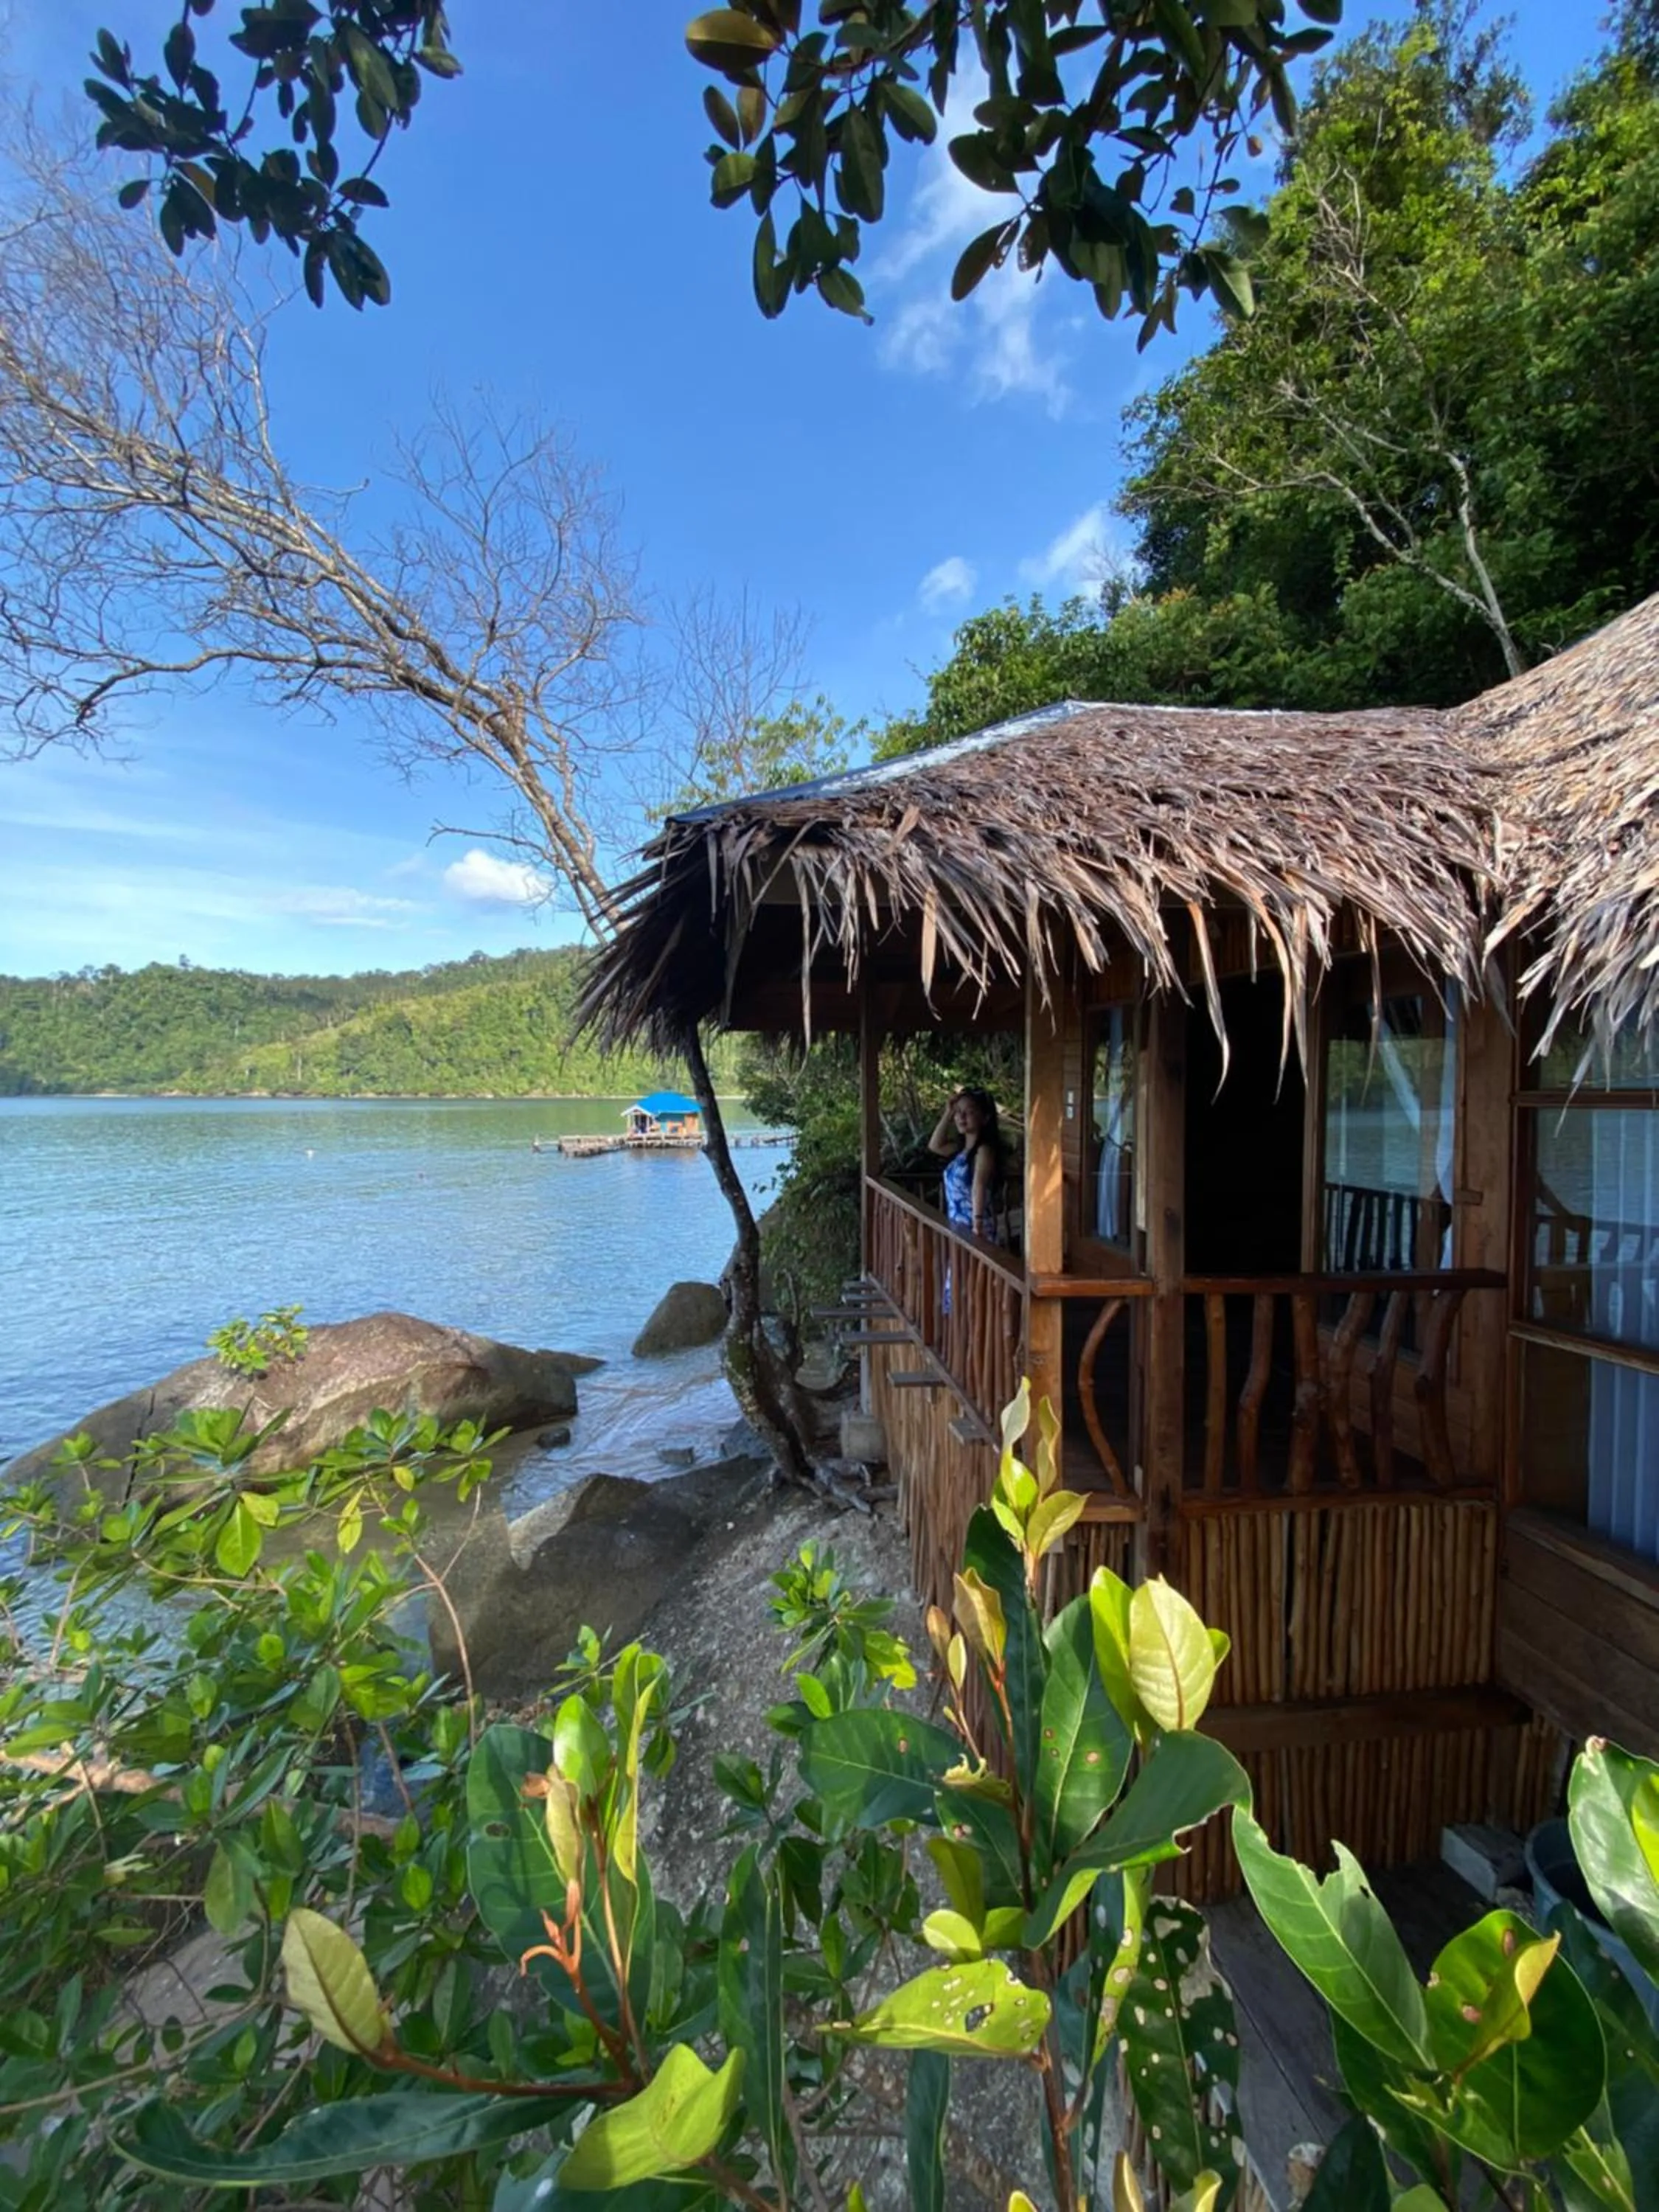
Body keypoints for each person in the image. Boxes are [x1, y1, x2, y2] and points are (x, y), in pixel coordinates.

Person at [927, 1085, 1006, 1241]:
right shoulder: (961, 1149)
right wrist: (948, 1113)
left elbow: (979, 1186)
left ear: (985, 1117)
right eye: (958, 1111)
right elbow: (934, 1146)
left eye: (969, 1112)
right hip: (958, 1228)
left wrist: (977, 1225)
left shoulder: (984, 1150)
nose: (961, 1117)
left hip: (974, 1229)